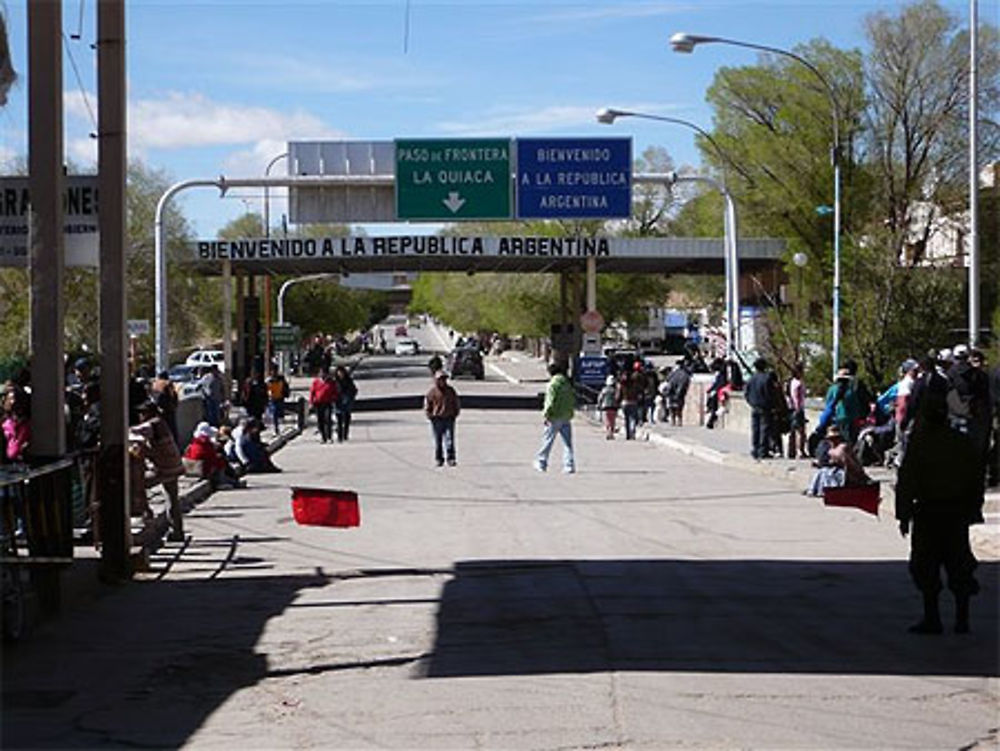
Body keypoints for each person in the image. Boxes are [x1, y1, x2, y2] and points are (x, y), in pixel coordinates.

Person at [895, 367, 984, 634]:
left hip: (930, 512)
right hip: (954, 512)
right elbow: (975, 477)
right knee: (958, 564)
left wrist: (903, 515)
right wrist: (974, 508)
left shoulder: (920, 445)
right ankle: (961, 618)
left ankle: (933, 617)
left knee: (927, 565)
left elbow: (907, 480)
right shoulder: (961, 442)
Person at [131, 401, 185, 541]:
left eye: (142, 413)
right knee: (171, 498)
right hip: (174, 466)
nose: (140, 416)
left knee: (138, 485)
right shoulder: (162, 423)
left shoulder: (153, 424)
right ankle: (177, 532)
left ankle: (147, 515)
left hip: (164, 468)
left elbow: (133, 432)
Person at [534, 360, 576, 473]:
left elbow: (550, 401)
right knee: (568, 443)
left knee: (548, 440)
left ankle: (541, 462)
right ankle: (569, 465)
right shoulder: (567, 383)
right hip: (566, 415)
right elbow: (572, 398)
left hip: (554, 416)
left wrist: (546, 414)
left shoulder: (553, 384)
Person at [183, 421, 243, 489]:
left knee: (220, 459)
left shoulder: (193, 443)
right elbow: (212, 458)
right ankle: (222, 482)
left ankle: (231, 480)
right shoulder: (205, 444)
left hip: (192, 467)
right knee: (221, 459)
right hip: (203, 468)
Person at [424, 370, 460, 467]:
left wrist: (455, 413)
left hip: (449, 418)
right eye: (440, 379)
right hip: (437, 419)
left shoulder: (451, 391)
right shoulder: (432, 392)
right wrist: (430, 415)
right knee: (438, 440)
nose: (443, 381)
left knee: (449, 440)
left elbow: (456, 402)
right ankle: (439, 459)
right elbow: (428, 405)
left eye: (444, 379)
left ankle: (451, 458)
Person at [744, 358, 774, 460]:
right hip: (764, 407)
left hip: (755, 406)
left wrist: (751, 402)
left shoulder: (751, 379)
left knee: (755, 429)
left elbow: (746, 393)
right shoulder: (767, 378)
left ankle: (755, 449)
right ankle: (762, 451)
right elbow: (770, 394)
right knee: (764, 429)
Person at [308, 368, 338, 443]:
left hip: (328, 403)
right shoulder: (316, 382)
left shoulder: (331, 382)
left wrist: (334, 398)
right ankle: (323, 437)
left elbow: (335, 391)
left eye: (325, 373)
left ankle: (329, 437)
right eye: (321, 373)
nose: (323, 375)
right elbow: (312, 392)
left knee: (328, 419)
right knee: (320, 420)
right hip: (318, 403)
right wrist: (311, 402)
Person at [150, 370, 180, 443]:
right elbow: (175, 398)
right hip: (170, 411)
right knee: (172, 431)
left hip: (161, 412)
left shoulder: (156, 385)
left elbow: (155, 398)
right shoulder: (169, 385)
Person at [2, 384, 30, 463]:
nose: (13, 402)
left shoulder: (25, 424)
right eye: (10, 398)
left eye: (15, 399)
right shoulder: (4, 423)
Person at [787, 362, 807, 459]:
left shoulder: (791, 382)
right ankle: (800, 451)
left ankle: (791, 451)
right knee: (801, 432)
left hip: (792, 408)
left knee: (793, 431)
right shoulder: (799, 383)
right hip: (798, 409)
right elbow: (798, 398)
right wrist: (799, 409)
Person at [334, 365, 358, 442]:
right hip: (338, 401)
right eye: (339, 372)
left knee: (347, 418)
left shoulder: (348, 381)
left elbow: (354, 390)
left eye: (342, 372)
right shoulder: (335, 381)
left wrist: (350, 397)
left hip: (347, 401)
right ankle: (340, 436)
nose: (340, 374)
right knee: (339, 419)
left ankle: (345, 434)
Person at [665, 361, 692, 427]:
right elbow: (685, 384)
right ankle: (679, 421)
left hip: (671, 392)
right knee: (679, 408)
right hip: (680, 393)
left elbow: (667, 379)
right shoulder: (685, 374)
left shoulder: (673, 373)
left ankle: (673, 421)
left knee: (671, 407)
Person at [618, 367, 642, 440]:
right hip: (633, 402)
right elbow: (639, 393)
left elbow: (619, 395)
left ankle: (628, 434)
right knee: (633, 419)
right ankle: (632, 432)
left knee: (626, 419)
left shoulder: (622, 385)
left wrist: (618, 402)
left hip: (625, 402)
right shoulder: (635, 384)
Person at [265, 366, 291, 435]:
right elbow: (266, 389)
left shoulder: (281, 379)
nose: (274, 372)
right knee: (274, 413)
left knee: (280, 413)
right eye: (272, 371)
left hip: (280, 398)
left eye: (275, 371)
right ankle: (275, 428)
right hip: (272, 399)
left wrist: (286, 393)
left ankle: (279, 427)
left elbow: (286, 387)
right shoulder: (268, 380)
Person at [596, 374, 619, 440]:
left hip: (605, 407)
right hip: (614, 407)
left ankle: (608, 433)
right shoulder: (615, 390)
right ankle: (611, 433)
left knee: (607, 421)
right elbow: (617, 397)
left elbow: (600, 398)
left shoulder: (604, 390)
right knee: (612, 421)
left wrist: (599, 405)